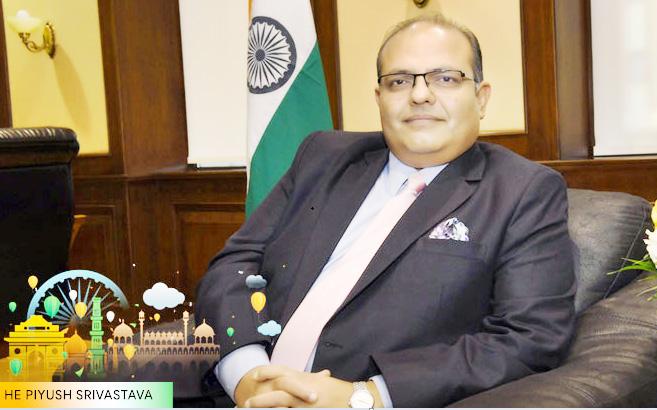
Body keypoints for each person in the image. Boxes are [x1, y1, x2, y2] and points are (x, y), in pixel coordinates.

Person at [196, 14, 576, 408]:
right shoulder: (322, 157)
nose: (420, 95)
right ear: (379, 98)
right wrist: (247, 375)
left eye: (445, 78)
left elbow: (528, 337)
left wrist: (365, 396)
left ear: (481, 98)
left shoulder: (523, 191)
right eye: (399, 81)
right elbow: (234, 264)